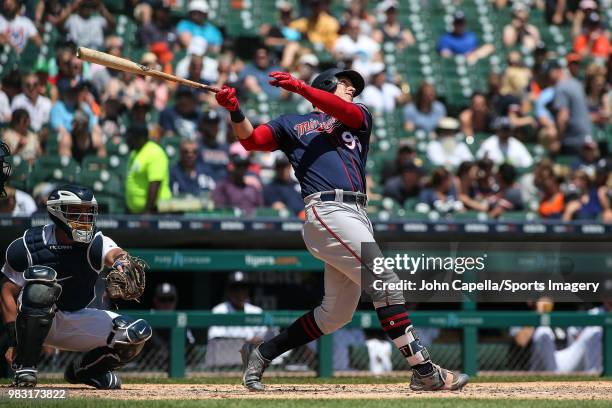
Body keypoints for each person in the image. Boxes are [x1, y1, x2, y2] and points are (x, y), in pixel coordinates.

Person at [214, 67, 469, 391]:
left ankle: (262, 352)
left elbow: (344, 110)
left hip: (357, 213)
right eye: (345, 84)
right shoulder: (292, 123)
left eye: (353, 86)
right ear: (327, 85)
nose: (352, 90)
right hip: (327, 209)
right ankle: (424, 372)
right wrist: (235, 111)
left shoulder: (357, 115)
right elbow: (251, 140)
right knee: (385, 280)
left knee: (335, 315)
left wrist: (301, 87)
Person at [0, 184, 152, 388]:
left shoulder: (94, 241)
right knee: (41, 285)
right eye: (76, 212)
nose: (84, 219)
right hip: (32, 324)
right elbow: (7, 294)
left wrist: (122, 263)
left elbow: (113, 252)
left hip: (75, 317)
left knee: (136, 334)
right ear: (57, 211)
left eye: (87, 212)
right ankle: (26, 366)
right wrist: (14, 341)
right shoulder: (29, 244)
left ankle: (85, 372)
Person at [205, 271, 268, 368]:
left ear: (247, 290)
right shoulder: (219, 311)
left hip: (252, 364)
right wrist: (247, 343)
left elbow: (264, 338)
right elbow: (216, 340)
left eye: (243, 288)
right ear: (228, 291)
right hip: (223, 365)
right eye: (235, 288)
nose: (239, 292)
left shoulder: (257, 312)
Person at [125, 122, 172, 214]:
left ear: (141, 138)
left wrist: (148, 211)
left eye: (130, 138)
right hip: (137, 212)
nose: (127, 141)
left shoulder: (154, 152)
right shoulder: (134, 153)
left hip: (156, 212)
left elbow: (155, 183)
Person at [547, 60, 593, 153]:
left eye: (549, 73)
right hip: (587, 135)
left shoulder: (561, 87)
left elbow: (563, 116)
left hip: (573, 139)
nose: (547, 77)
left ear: (557, 71)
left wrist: (558, 140)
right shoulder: (576, 83)